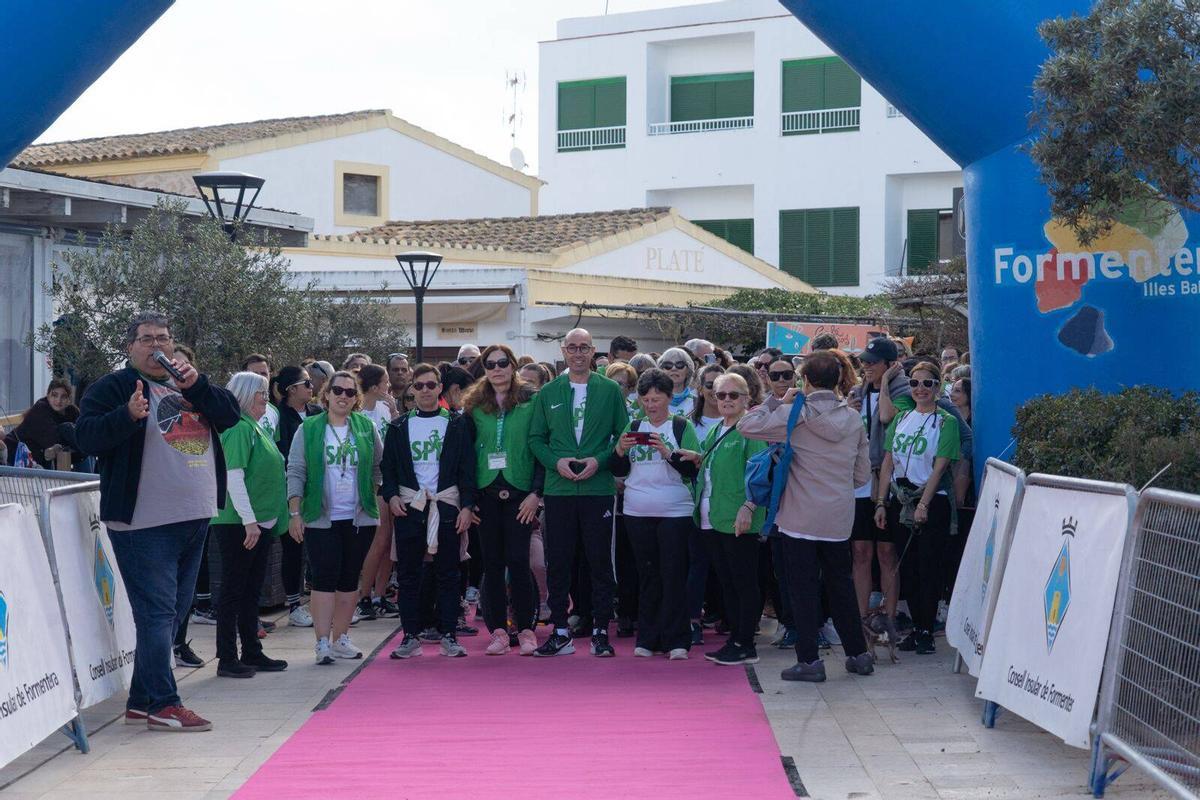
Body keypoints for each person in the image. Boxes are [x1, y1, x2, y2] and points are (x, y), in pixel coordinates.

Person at [75, 310, 241, 732]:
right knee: (158, 614)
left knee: (175, 612)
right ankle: (164, 703)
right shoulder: (111, 388)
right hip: (144, 523)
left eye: (163, 338)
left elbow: (231, 416)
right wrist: (126, 416)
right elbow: (86, 437)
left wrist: (198, 385)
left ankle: (142, 699)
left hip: (194, 516)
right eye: (147, 339)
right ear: (130, 346)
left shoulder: (187, 384)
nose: (156, 346)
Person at [740, 350, 874, 682]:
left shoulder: (795, 413)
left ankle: (810, 660)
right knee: (840, 586)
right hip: (839, 515)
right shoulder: (854, 418)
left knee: (801, 590)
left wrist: (780, 401)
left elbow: (746, 425)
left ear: (806, 380)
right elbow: (861, 476)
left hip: (799, 516)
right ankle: (858, 654)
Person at [529, 328, 628, 657]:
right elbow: (536, 440)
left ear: (593, 350)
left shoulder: (610, 390)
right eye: (572, 347)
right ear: (563, 351)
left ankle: (601, 631)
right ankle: (559, 631)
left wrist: (599, 462)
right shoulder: (549, 392)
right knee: (558, 562)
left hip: (597, 489)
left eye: (584, 347)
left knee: (600, 562)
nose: (578, 352)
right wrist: (555, 463)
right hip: (559, 491)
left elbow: (622, 436)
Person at [286, 371, 383, 665]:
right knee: (324, 578)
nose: (343, 396)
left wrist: (371, 492)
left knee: (349, 578)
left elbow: (378, 465)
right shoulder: (310, 428)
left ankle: (341, 637)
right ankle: (321, 642)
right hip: (320, 516)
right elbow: (296, 470)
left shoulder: (366, 427)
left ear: (356, 399)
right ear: (326, 394)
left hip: (358, 518)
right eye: (338, 390)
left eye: (350, 392)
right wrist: (295, 513)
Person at [381, 363, 476, 659]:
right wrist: (392, 496)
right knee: (409, 575)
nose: (425, 390)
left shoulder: (457, 424)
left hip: (446, 505)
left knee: (448, 573)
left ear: (439, 388)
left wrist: (467, 506)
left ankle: (448, 633)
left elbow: (467, 469)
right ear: (411, 388)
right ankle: (410, 635)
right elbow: (389, 469)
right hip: (411, 506)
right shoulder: (399, 427)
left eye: (431, 385)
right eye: (419, 385)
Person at [610, 368, 701, 660]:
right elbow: (618, 471)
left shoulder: (680, 426)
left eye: (657, 399)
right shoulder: (633, 425)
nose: (651, 405)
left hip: (675, 511)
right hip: (637, 510)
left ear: (669, 398)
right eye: (646, 399)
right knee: (647, 575)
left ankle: (677, 640)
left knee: (673, 574)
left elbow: (692, 469)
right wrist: (620, 452)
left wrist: (667, 452)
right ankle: (648, 637)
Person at [874, 360, 961, 656]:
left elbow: (940, 466)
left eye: (927, 383)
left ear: (938, 387)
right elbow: (888, 462)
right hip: (901, 498)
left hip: (931, 500)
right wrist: (882, 502)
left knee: (929, 567)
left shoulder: (946, 422)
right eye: (914, 383)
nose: (920, 389)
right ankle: (917, 626)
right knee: (907, 568)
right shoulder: (901, 418)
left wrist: (924, 503)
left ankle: (926, 629)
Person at [463, 345, 542, 656]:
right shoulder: (474, 405)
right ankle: (497, 631)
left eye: (502, 363)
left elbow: (540, 449)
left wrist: (537, 493)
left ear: (513, 366)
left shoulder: (531, 401)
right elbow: (465, 457)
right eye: (490, 364)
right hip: (487, 494)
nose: (496, 369)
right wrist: (468, 501)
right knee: (492, 564)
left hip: (521, 493)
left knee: (520, 562)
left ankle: (525, 631)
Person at [210, 372, 290, 678]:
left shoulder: (254, 426)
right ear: (244, 395)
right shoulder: (238, 428)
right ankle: (227, 657)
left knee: (250, 589)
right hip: (239, 523)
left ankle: (251, 651)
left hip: (257, 522)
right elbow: (234, 475)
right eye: (260, 393)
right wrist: (249, 521)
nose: (265, 398)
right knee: (234, 590)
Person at [686, 372, 766, 665]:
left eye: (734, 395)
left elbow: (759, 472)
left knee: (743, 582)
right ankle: (736, 639)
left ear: (746, 398)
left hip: (737, 517)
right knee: (727, 582)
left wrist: (748, 506)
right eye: (721, 395)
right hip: (713, 516)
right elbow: (708, 466)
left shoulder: (751, 428)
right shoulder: (717, 429)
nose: (727, 400)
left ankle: (745, 642)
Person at [849, 336, 915, 625]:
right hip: (859, 482)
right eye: (863, 362)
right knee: (860, 551)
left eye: (873, 363)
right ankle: (860, 619)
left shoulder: (904, 390)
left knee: (887, 553)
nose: (866, 367)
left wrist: (886, 382)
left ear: (891, 365)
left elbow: (888, 415)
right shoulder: (857, 393)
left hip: (887, 481)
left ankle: (889, 618)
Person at [273, 365, 321, 628]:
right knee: (293, 547)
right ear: (292, 389)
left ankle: (323, 602)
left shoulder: (318, 413)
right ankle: (294, 604)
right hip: (292, 492)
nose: (312, 387)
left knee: (319, 549)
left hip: (321, 491)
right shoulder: (279, 417)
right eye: (307, 383)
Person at [355, 364, 401, 621]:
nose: (388, 387)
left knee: (389, 540)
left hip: (389, 478)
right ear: (374, 386)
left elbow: (396, 435)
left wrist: (395, 411)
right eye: (385, 382)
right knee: (380, 538)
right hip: (372, 482)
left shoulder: (385, 408)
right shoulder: (359, 412)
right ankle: (364, 595)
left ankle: (379, 594)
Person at [5, 379, 80, 469]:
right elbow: (53, 440)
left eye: (63, 397)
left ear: (69, 399)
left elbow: (83, 432)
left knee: (85, 452)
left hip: (40, 457)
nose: (58, 400)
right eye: (54, 395)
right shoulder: (41, 409)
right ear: (48, 396)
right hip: (16, 454)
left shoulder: (72, 412)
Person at [657, 347, 697, 416]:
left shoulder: (698, 403)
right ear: (661, 370)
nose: (674, 368)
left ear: (688, 370)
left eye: (680, 365)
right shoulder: (652, 401)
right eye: (668, 365)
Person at [691, 364, 726, 442]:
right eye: (710, 385)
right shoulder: (686, 424)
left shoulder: (737, 424)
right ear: (700, 389)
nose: (715, 390)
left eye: (720, 385)